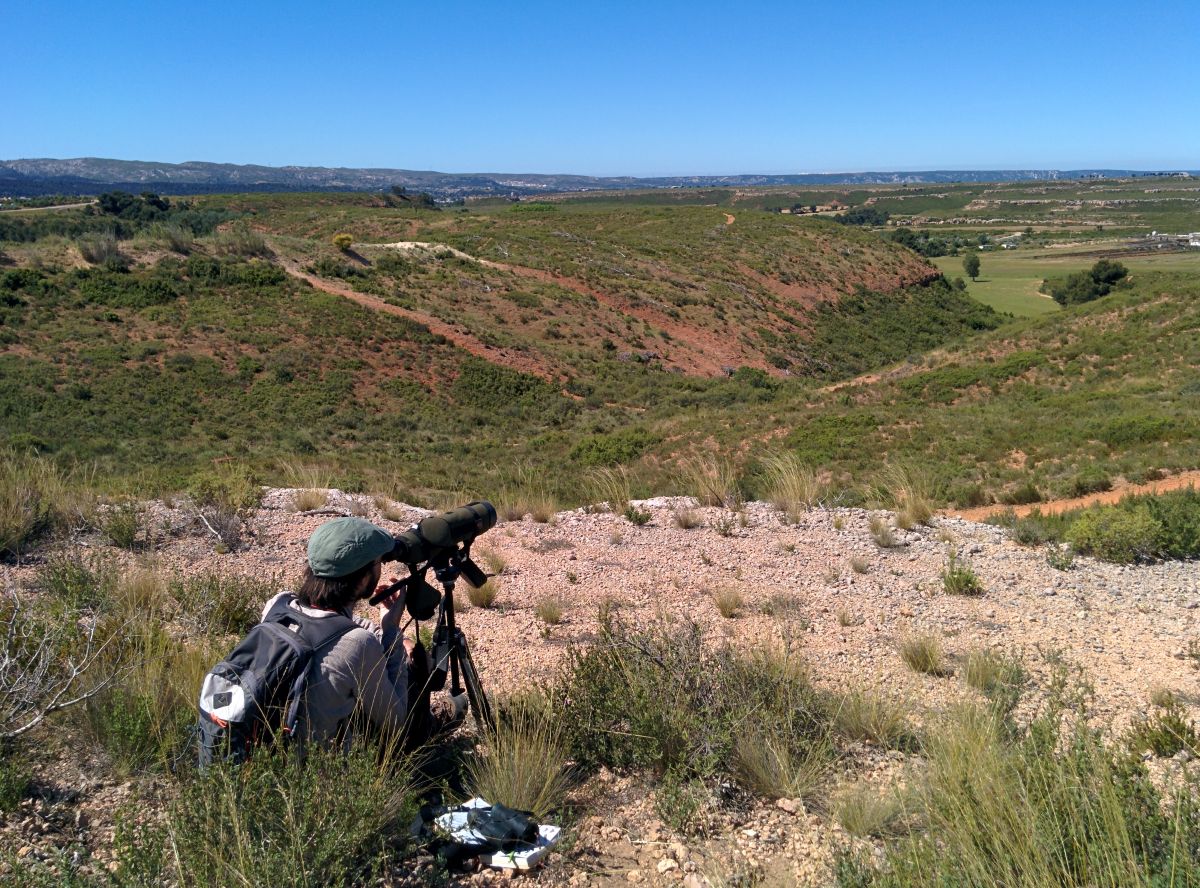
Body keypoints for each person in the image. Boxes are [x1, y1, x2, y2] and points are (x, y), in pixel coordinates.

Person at [260, 516, 463, 751]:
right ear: (364, 578)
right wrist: (391, 632)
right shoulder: (358, 645)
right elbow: (396, 722)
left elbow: (331, 621)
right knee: (409, 668)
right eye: (378, 562)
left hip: (264, 750)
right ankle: (429, 731)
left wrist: (385, 627)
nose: (380, 567)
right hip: (317, 775)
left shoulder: (278, 605)